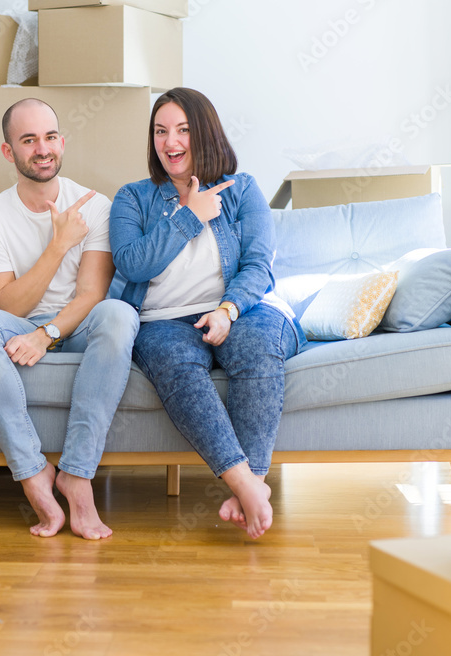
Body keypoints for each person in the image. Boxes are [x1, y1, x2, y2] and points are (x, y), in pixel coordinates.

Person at [109, 88, 306, 540]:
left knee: (258, 345)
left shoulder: (243, 190)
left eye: (182, 130)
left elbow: (259, 265)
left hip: (241, 308)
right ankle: (248, 486)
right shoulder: (133, 198)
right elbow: (133, 263)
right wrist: (188, 216)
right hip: (163, 319)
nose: (169, 141)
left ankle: (251, 482)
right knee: (175, 364)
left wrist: (228, 309)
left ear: (205, 134)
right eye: (160, 131)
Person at [0, 98, 138, 540]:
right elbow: (6, 307)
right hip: (18, 326)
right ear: (8, 151)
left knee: (119, 312)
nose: (42, 149)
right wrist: (58, 245)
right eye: (29, 139)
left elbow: (92, 294)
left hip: (78, 325)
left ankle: (75, 475)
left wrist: (47, 334)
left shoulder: (96, 205)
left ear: (62, 140)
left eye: (50, 137)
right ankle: (33, 473)